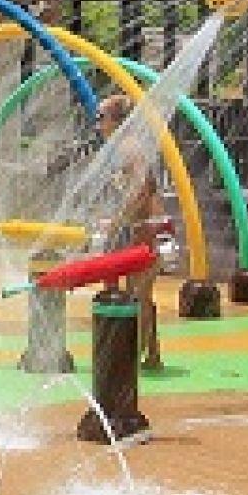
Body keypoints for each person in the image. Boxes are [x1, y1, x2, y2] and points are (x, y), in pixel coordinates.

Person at [95, 95, 169, 369]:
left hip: (146, 227)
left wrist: (118, 220)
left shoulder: (128, 146)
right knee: (140, 292)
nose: (97, 124)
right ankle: (150, 353)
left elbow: (140, 189)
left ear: (116, 121)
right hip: (145, 226)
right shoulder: (124, 147)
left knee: (138, 292)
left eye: (101, 117)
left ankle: (136, 357)